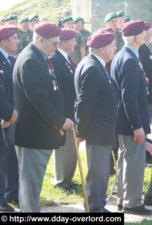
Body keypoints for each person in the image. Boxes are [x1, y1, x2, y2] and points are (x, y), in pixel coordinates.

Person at [11, 22, 74, 212]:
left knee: (32, 184)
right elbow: (39, 99)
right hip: (33, 134)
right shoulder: (31, 60)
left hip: (38, 133)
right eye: (54, 43)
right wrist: (59, 120)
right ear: (40, 40)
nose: (57, 47)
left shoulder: (39, 57)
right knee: (31, 185)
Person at [111, 20, 152, 215]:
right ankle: (133, 202)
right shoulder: (129, 59)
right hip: (130, 121)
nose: (145, 36)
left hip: (123, 120)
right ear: (136, 37)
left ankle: (123, 199)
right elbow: (128, 96)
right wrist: (137, 125)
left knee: (125, 160)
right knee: (133, 162)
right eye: (143, 33)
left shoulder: (122, 55)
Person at [74, 30, 117, 213]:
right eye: (113, 45)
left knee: (101, 170)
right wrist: (81, 131)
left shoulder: (95, 64)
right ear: (102, 48)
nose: (116, 48)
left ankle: (97, 204)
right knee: (98, 172)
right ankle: (95, 207)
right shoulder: (92, 68)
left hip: (101, 128)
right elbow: (85, 103)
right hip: (97, 130)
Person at [50, 28, 79, 193]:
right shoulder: (55, 59)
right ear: (64, 42)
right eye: (73, 40)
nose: (76, 43)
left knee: (72, 148)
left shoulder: (66, 59)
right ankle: (61, 182)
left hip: (71, 111)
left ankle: (68, 179)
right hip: (64, 112)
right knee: (64, 148)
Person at [0, 25, 19, 212]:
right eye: (14, 38)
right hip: (4, 118)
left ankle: (12, 193)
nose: (17, 41)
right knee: (1, 159)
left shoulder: (10, 60)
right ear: (4, 42)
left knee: (11, 157)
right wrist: (7, 113)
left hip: (11, 118)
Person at [138, 22, 152, 121]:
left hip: (149, 92)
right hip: (146, 92)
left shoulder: (145, 48)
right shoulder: (141, 48)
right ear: (144, 34)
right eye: (151, 32)